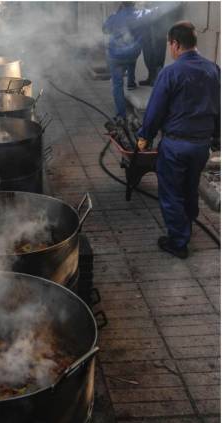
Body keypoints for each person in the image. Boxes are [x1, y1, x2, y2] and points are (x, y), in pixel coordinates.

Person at [136, 21, 220, 259]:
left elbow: (155, 110)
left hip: (176, 145)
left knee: (171, 192)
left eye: (169, 45)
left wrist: (145, 136)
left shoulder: (170, 72)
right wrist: (217, 137)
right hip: (201, 145)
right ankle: (187, 224)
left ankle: (178, 242)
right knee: (190, 186)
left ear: (175, 44)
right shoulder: (213, 69)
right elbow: (219, 107)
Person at [103, 2, 147, 123]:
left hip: (116, 56)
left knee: (117, 84)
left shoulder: (115, 16)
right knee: (131, 55)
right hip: (133, 54)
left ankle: (121, 116)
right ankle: (131, 82)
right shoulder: (140, 15)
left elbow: (105, 29)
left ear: (122, 3)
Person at [139, 2, 182, 86]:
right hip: (148, 33)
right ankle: (150, 78)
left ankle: (157, 80)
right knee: (148, 57)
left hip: (159, 34)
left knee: (158, 58)